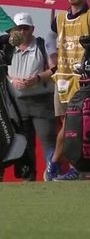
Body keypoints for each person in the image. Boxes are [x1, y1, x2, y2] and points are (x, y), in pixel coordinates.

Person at [48, 0, 90, 181]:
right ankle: (57, 164)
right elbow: (49, 39)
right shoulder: (60, 18)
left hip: (84, 79)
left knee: (75, 126)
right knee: (68, 125)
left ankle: (64, 166)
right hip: (62, 78)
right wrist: (52, 62)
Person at [3, 13, 57, 181]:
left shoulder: (41, 45)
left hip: (41, 102)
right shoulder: (7, 47)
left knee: (48, 140)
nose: (21, 32)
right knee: (24, 144)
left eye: (25, 28)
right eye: (18, 28)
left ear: (32, 29)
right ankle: (28, 178)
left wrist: (38, 78)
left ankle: (54, 175)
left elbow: (55, 69)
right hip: (17, 104)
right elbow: (3, 72)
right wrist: (12, 80)